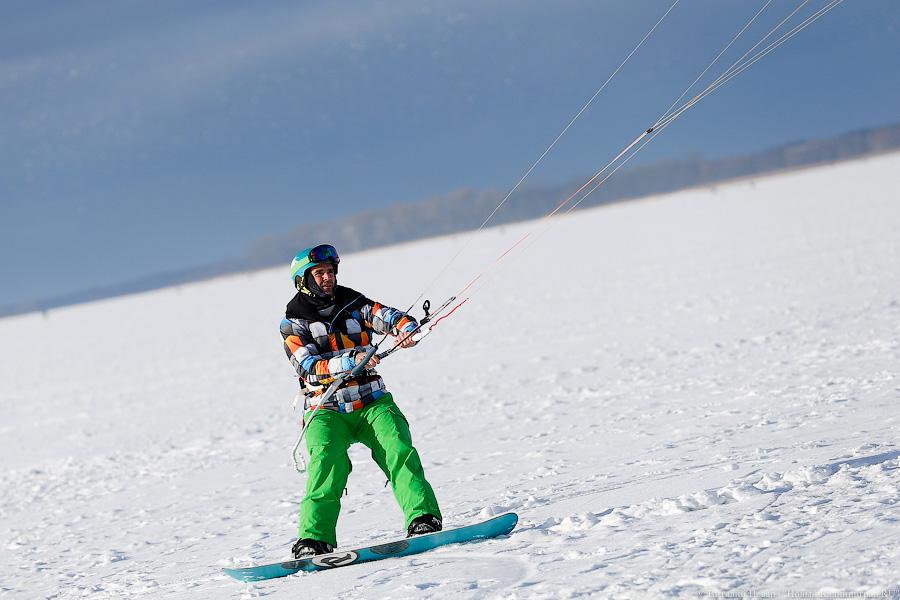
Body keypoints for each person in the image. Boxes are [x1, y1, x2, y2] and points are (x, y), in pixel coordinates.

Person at [280, 243, 442, 558]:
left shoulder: (354, 303)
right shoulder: (293, 322)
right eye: (319, 273)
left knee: (398, 449)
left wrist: (406, 329)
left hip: (372, 402)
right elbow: (308, 367)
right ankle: (315, 539)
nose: (328, 278)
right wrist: (353, 359)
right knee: (327, 464)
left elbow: (388, 317)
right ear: (303, 280)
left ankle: (423, 517)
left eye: (330, 271)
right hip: (325, 410)